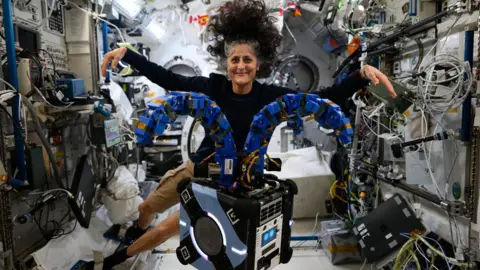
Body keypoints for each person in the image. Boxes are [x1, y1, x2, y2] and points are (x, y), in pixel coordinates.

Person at [82, 0, 395, 268]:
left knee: (168, 228)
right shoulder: (212, 87)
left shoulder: (269, 95)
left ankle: (111, 262)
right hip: (200, 166)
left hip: (238, 176)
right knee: (148, 206)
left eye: (247, 60)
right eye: (235, 60)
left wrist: (360, 76)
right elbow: (168, 79)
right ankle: (132, 235)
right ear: (227, 63)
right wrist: (129, 55)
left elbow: (322, 97)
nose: (241, 66)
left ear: (257, 65)